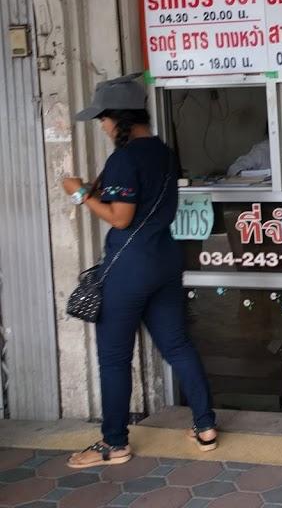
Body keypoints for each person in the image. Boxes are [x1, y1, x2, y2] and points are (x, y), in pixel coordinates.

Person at [62, 74, 217, 468]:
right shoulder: (164, 152)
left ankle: (114, 444)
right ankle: (205, 427)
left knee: (114, 358)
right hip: (165, 261)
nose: (102, 125)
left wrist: (79, 194)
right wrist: (97, 186)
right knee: (178, 345)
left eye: (103, 119)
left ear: (119, 119)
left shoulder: (124, 158)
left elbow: (120, 217)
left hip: (129, 269)